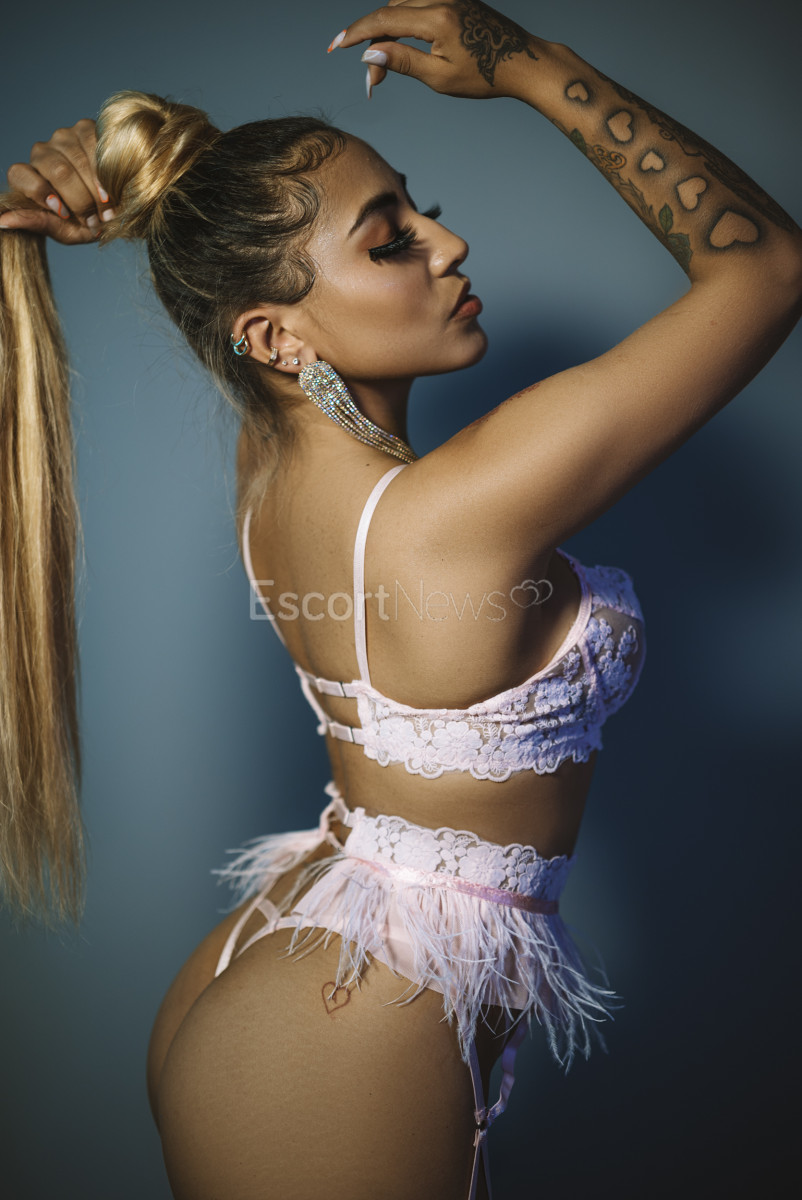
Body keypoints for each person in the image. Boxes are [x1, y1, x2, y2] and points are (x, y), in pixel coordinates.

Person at [1, 2, 800, 1197]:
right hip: (337, 1040)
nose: (448, 242)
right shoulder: (455, 511)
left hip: (300, 971)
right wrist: (527, 64)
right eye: (389, 242)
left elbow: (234, 283)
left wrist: (139, 177)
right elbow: (765, 268)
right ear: (276, 337)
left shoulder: (271, 464)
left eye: (419, 210)